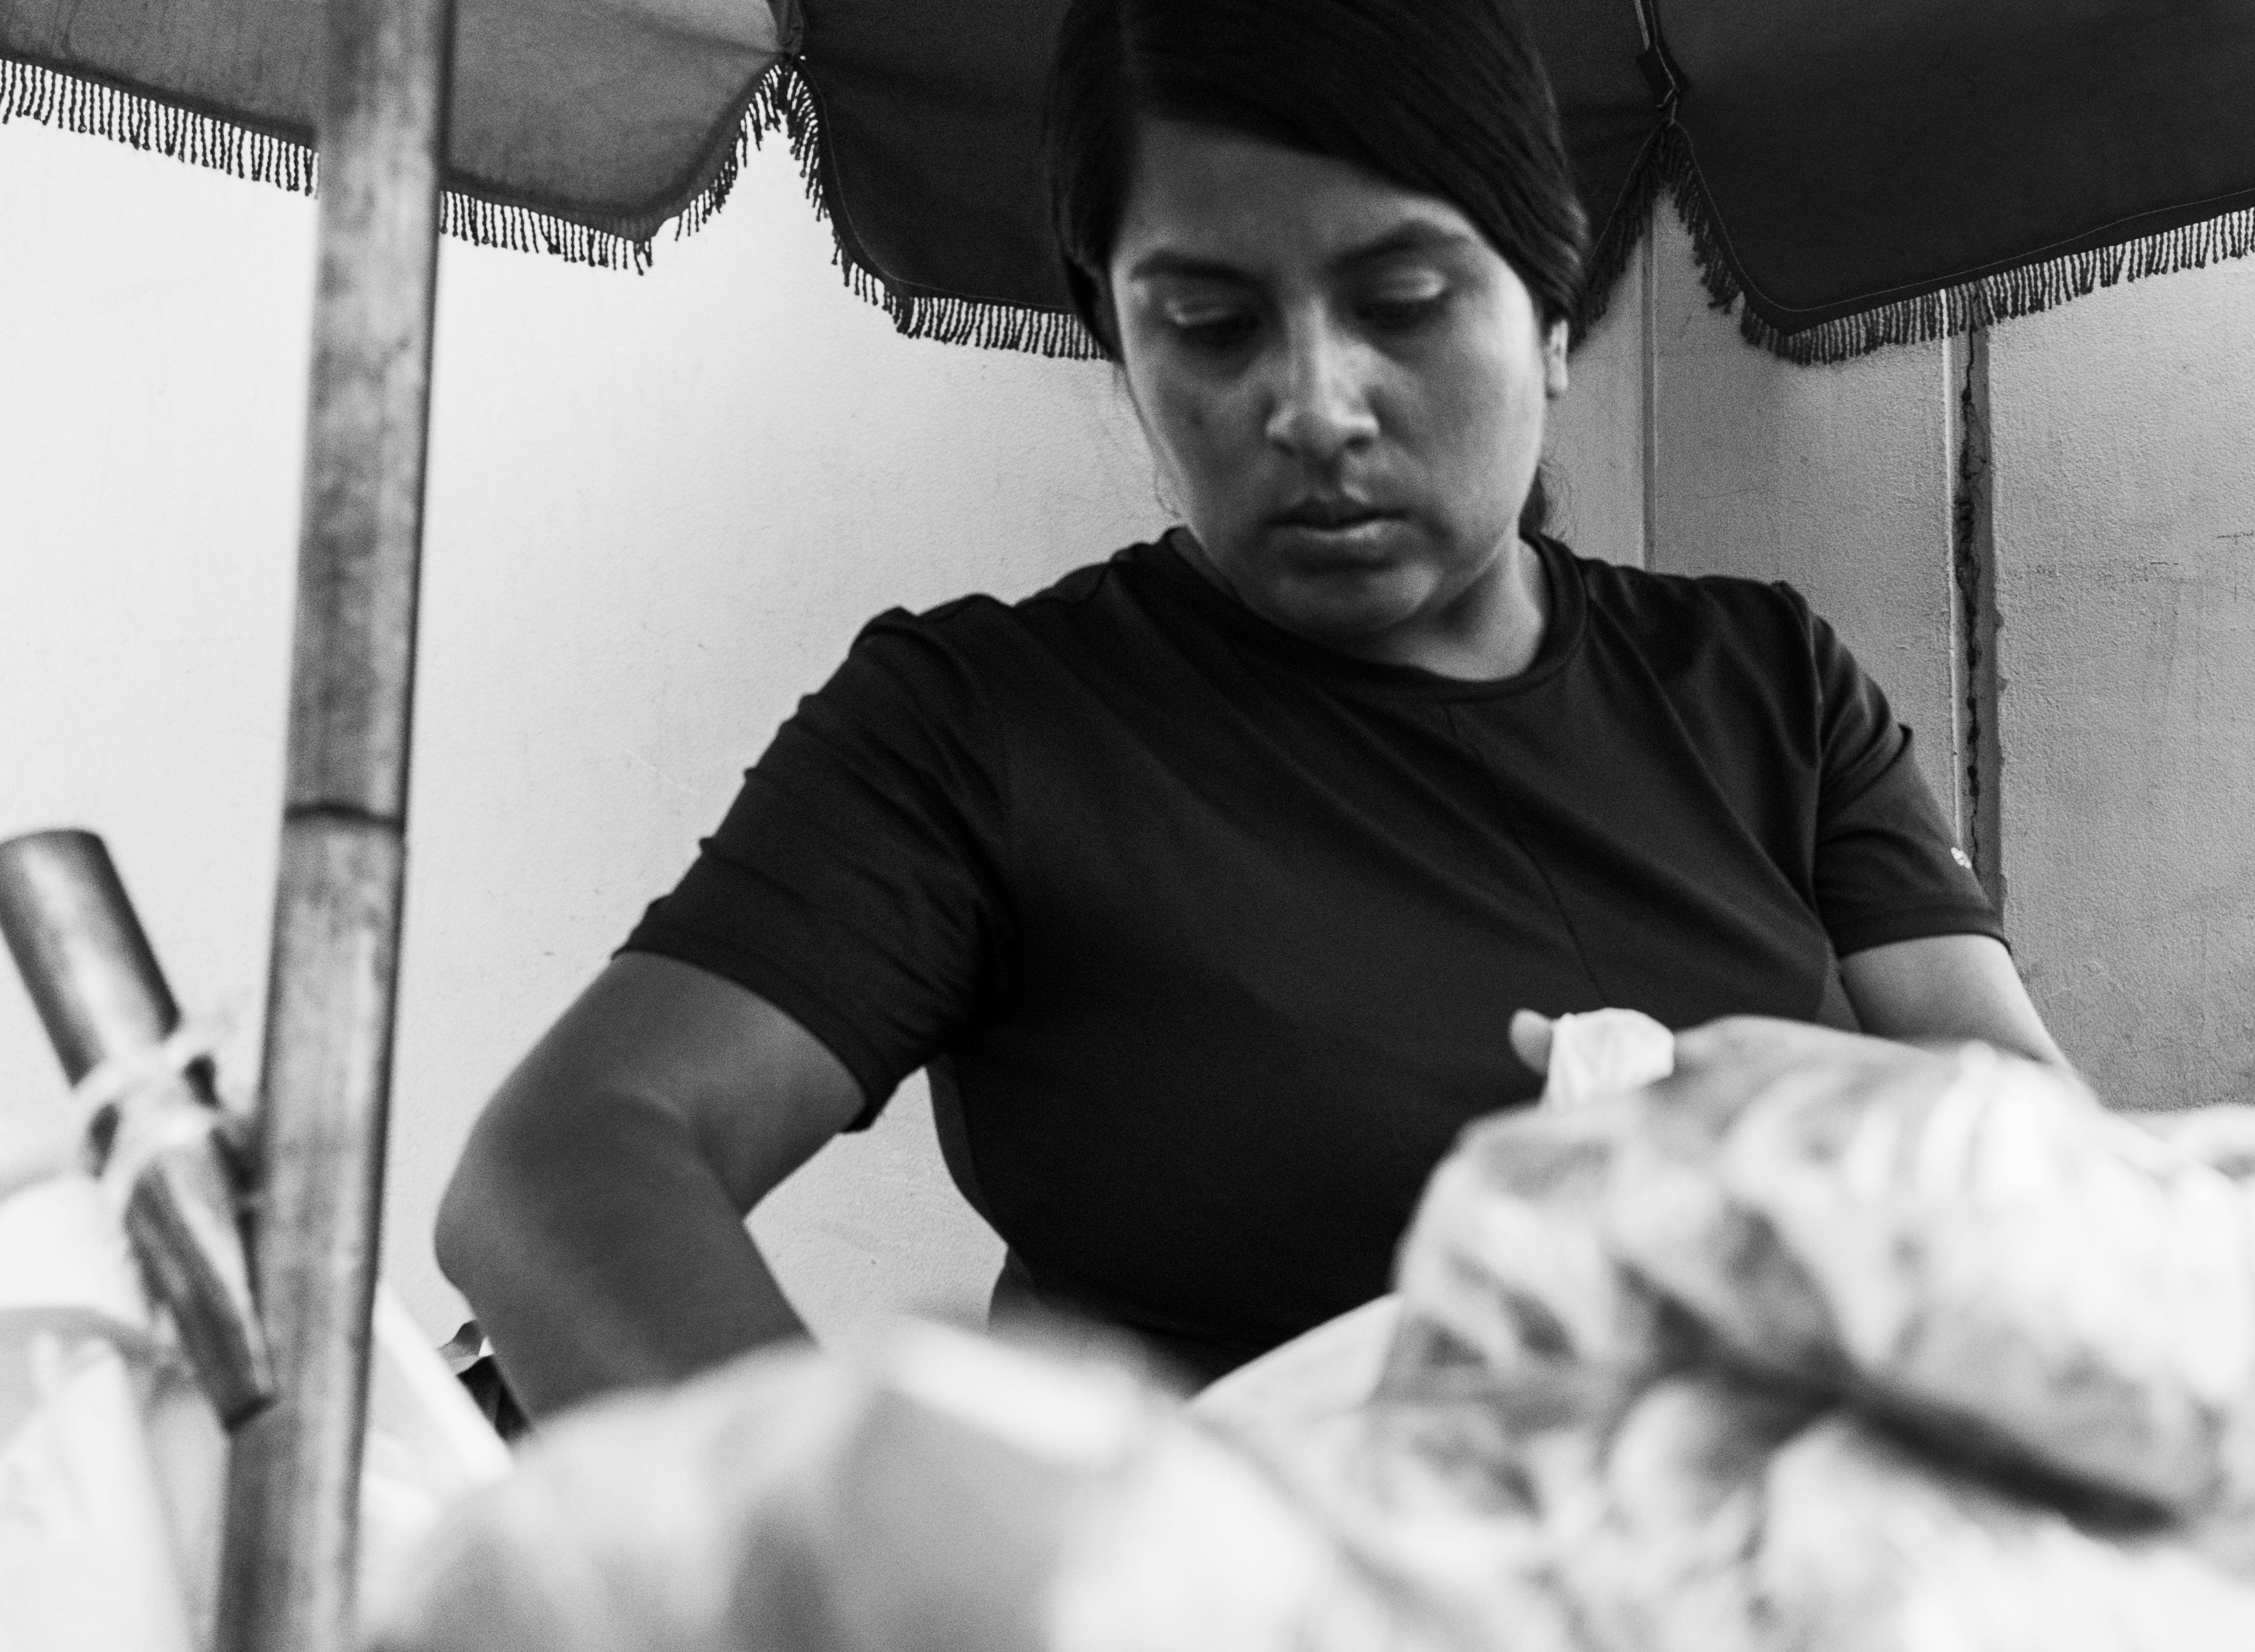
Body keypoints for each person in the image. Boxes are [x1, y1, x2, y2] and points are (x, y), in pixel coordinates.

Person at [438, 0, 2064, 1412]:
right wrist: (868, 1571)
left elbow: (2030, 1147)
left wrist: (1789, 1140)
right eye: (1208, 326)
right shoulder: (982, 732)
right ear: (1120, 345)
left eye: (1404, 301)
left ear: (1553, 314)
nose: (1311, 405)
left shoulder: (1764, 688)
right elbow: (559, 1170)